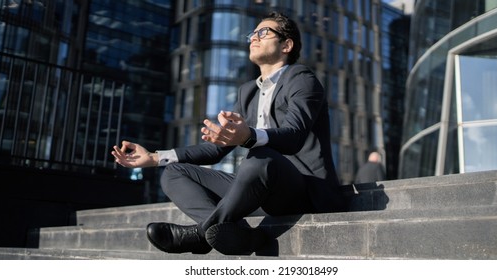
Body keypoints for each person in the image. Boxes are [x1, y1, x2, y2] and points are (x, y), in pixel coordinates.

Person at [111, 11, 347, 256]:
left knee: (261, 155)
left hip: (301, 189)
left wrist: (249, 137)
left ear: (286, 45)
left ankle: (202, 234)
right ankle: (239, 233)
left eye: (263, 32)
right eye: (252, 33)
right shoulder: (248, 92)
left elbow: (294, 135)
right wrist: (155, 157)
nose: (253, 38)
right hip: (257, 187)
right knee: (173, 172)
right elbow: (215, 151)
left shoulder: (302, 79)